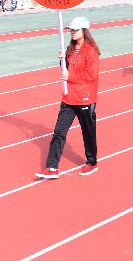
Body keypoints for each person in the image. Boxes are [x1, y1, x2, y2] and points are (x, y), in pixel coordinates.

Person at [35, 16, 100, 179]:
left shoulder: (91, 50)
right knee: (59, 132)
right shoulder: (70, 49)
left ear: (84, 31)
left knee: (88, 133)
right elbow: (67, 71)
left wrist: (69, 75)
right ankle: (51, 167)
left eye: (75, 30)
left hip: (85, 98)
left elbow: (90, 75)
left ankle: (92, 162)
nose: (72, 32)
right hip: (68, 98)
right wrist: (62, 61)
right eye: (71, 29)